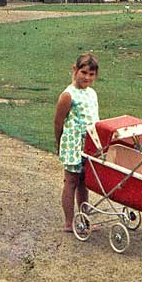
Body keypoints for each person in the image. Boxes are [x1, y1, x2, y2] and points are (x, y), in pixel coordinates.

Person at [54, 53, 100, 232]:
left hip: (88, 144)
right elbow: (58, 122)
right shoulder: (68, 95)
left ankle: (84, 219)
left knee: (84, 183)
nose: (87, 77)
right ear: (75, 70)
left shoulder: (92, 93)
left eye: (91, 74)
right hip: (73, 144)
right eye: (84, 72)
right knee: (71, 181)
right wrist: (59, 143)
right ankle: (69, 222)